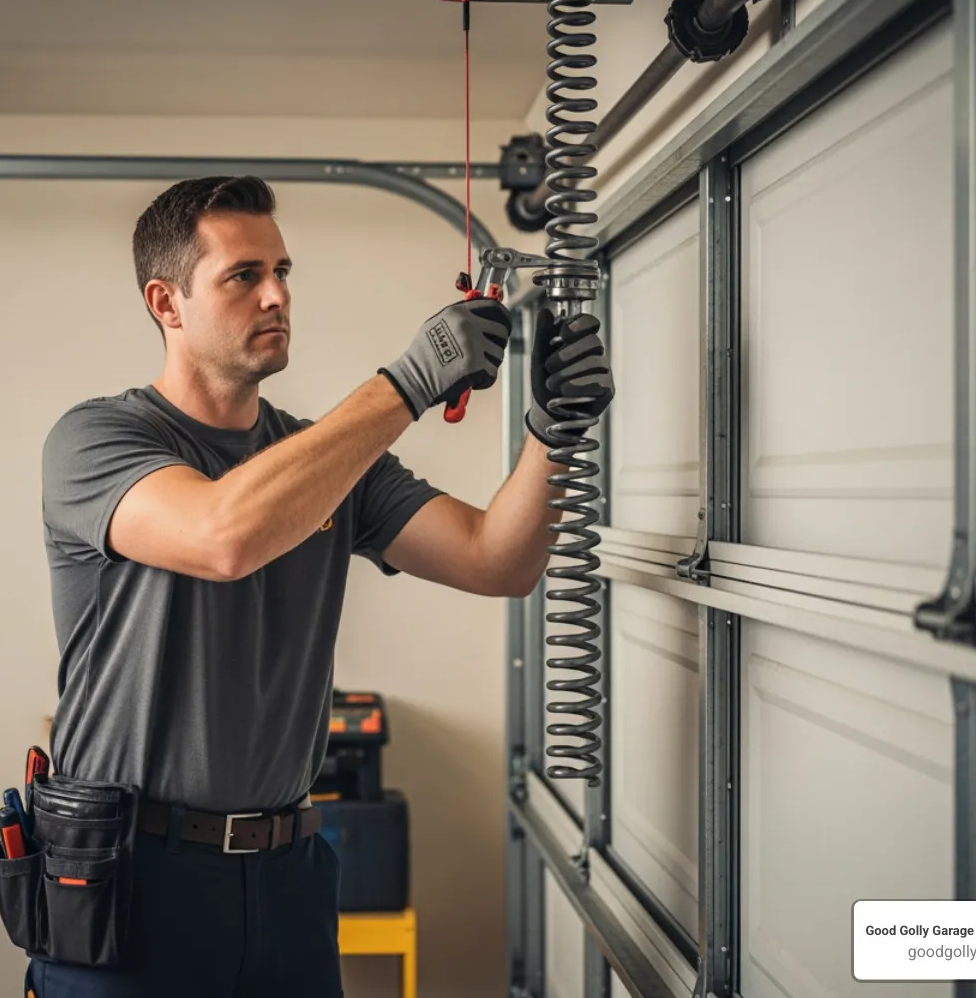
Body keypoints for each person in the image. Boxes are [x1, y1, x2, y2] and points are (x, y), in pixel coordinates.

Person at [30, 175, 613, 997]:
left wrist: (554, 436)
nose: (276, 295)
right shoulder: (97, 440)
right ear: (167, 303)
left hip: (288, 873)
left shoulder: (331, 462)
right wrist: (408, 381)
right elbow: (222, 535)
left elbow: (497, 561)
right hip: (134, 874)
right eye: (244, 276)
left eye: (284, 271)